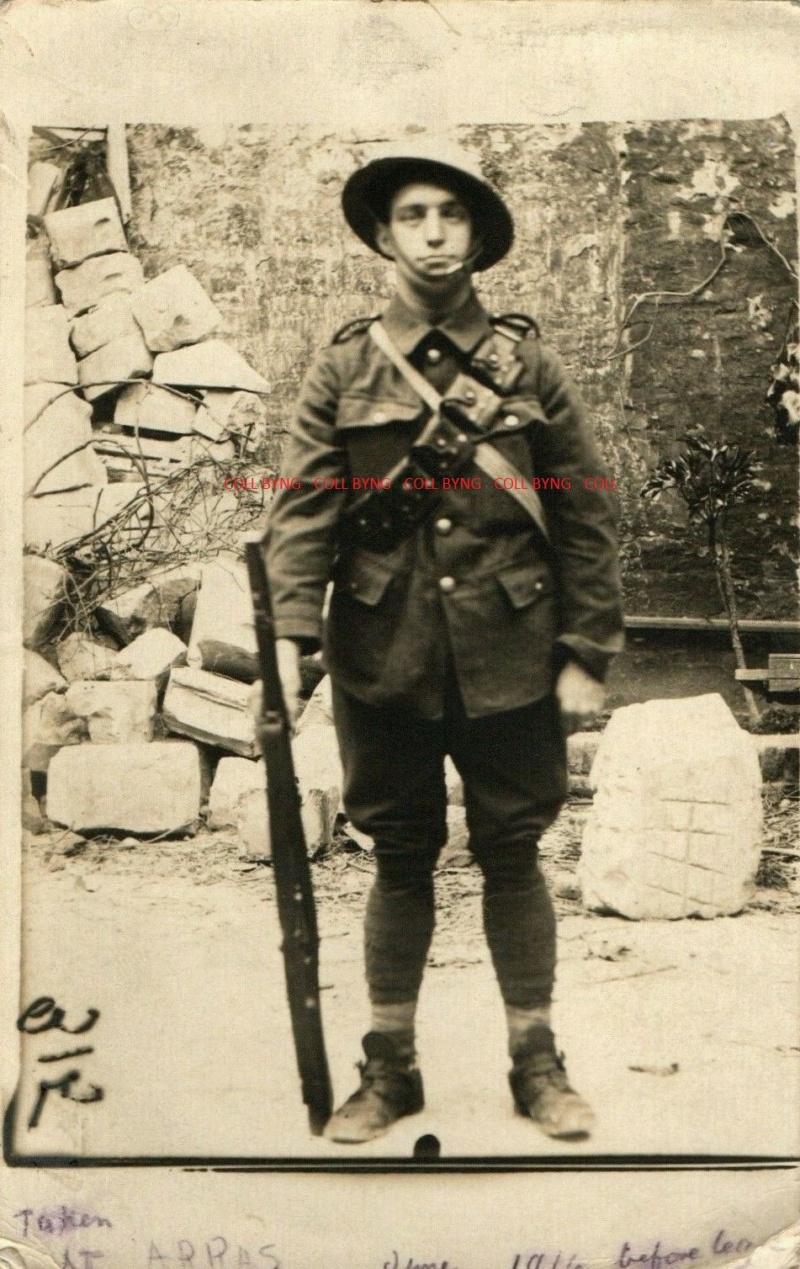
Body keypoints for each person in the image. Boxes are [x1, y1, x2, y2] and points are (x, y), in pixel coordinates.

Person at [261, 144, 624, 1145]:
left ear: (476, 238)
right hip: (386, 648)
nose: (430, 233)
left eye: (449, 216)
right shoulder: (344, 362)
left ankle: (535, 1062)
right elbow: (302, 511)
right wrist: (293, 637)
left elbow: (585, 510)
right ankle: (388, 1069)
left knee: (513, 850)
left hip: (513, 648)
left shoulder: (526, 361)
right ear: (383, 236)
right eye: (411, 216)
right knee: (399, 852)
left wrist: (584, 648)